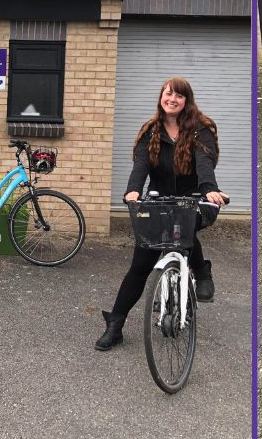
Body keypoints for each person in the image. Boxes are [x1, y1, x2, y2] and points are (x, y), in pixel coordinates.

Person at [95, 77, 229, 351]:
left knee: (186, 221)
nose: (173, 99)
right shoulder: (151, 131)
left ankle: (201, 270)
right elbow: (141, 164)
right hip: (160, 203)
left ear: (186, 100)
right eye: (168, 94)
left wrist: (209, 190)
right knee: (140, 266)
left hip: (195, 200)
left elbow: (205, 162)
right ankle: (115, 324)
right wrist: (133, 190)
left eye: (179, 96)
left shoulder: (200, 129)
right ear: (161, 97)